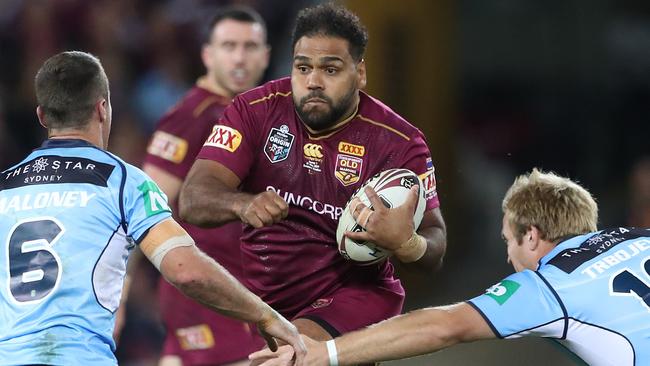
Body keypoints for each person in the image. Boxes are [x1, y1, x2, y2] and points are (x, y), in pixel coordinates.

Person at [0, 51, 305, 365]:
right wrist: (265, 316)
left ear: (41, 115)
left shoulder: (4, 187)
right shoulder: (123, 182)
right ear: (102, 109)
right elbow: (186, 271)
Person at [179, 3, 447, 345]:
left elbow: (435, 241)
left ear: (360, 73)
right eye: (302, 67)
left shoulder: (398, 142)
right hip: (262, 299)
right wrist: (241, 204)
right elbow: (192, 199)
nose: (314, 82)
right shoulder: (254, 111)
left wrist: (407, 243)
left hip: (353, 295)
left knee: (292, 352)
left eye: (331, 70)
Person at [250, 168, 650, 366]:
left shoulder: (548, 286)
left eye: (508, 242)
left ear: (530, 236)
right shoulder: (641, 236)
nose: (510, 259)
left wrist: (325, 353)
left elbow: (445, 324)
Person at [141, 6, 270, 366]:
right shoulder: (193, 116)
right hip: (207, 293)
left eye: (250, 47)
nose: (240, 58)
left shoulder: (247, 114)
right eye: (229, 46)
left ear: (266, 55)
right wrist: (120, 295)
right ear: (208, 55)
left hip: (236, 290)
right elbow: (143, 206)